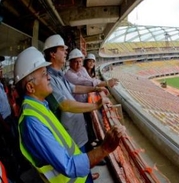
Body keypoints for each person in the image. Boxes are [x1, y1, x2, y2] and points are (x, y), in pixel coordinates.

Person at [14, 46, 125, 183]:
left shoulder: (40, 107)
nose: (48, 77)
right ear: (30, 87)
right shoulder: (32, 122)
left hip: (79, 175)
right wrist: (104, 148)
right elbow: (68, 166)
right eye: (44, 74)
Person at [43, 34, 108, 175]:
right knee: (76, 164)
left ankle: (88, 174)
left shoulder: (59, 74)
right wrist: (96, 105)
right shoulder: (49, 78)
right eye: (62, 49)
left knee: (83, 161)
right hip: (69, 134)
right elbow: (65, 105)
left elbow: (75, 88)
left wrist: (97, 88)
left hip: (77, 131)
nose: (66, 51)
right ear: (52, 53)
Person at [64, 49, 118, 149]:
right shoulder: (68, 74)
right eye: (75, 61)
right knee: (83, 126)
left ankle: (92, 140)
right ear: (70, 62)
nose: (78, 64)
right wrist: (105, 83)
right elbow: (84, 82)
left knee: (89, 122)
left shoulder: (83, 70)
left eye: (80, 61)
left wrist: (99, 86)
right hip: (78, 105)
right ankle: (89, 145)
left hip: (86, 102)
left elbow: (91, 80)